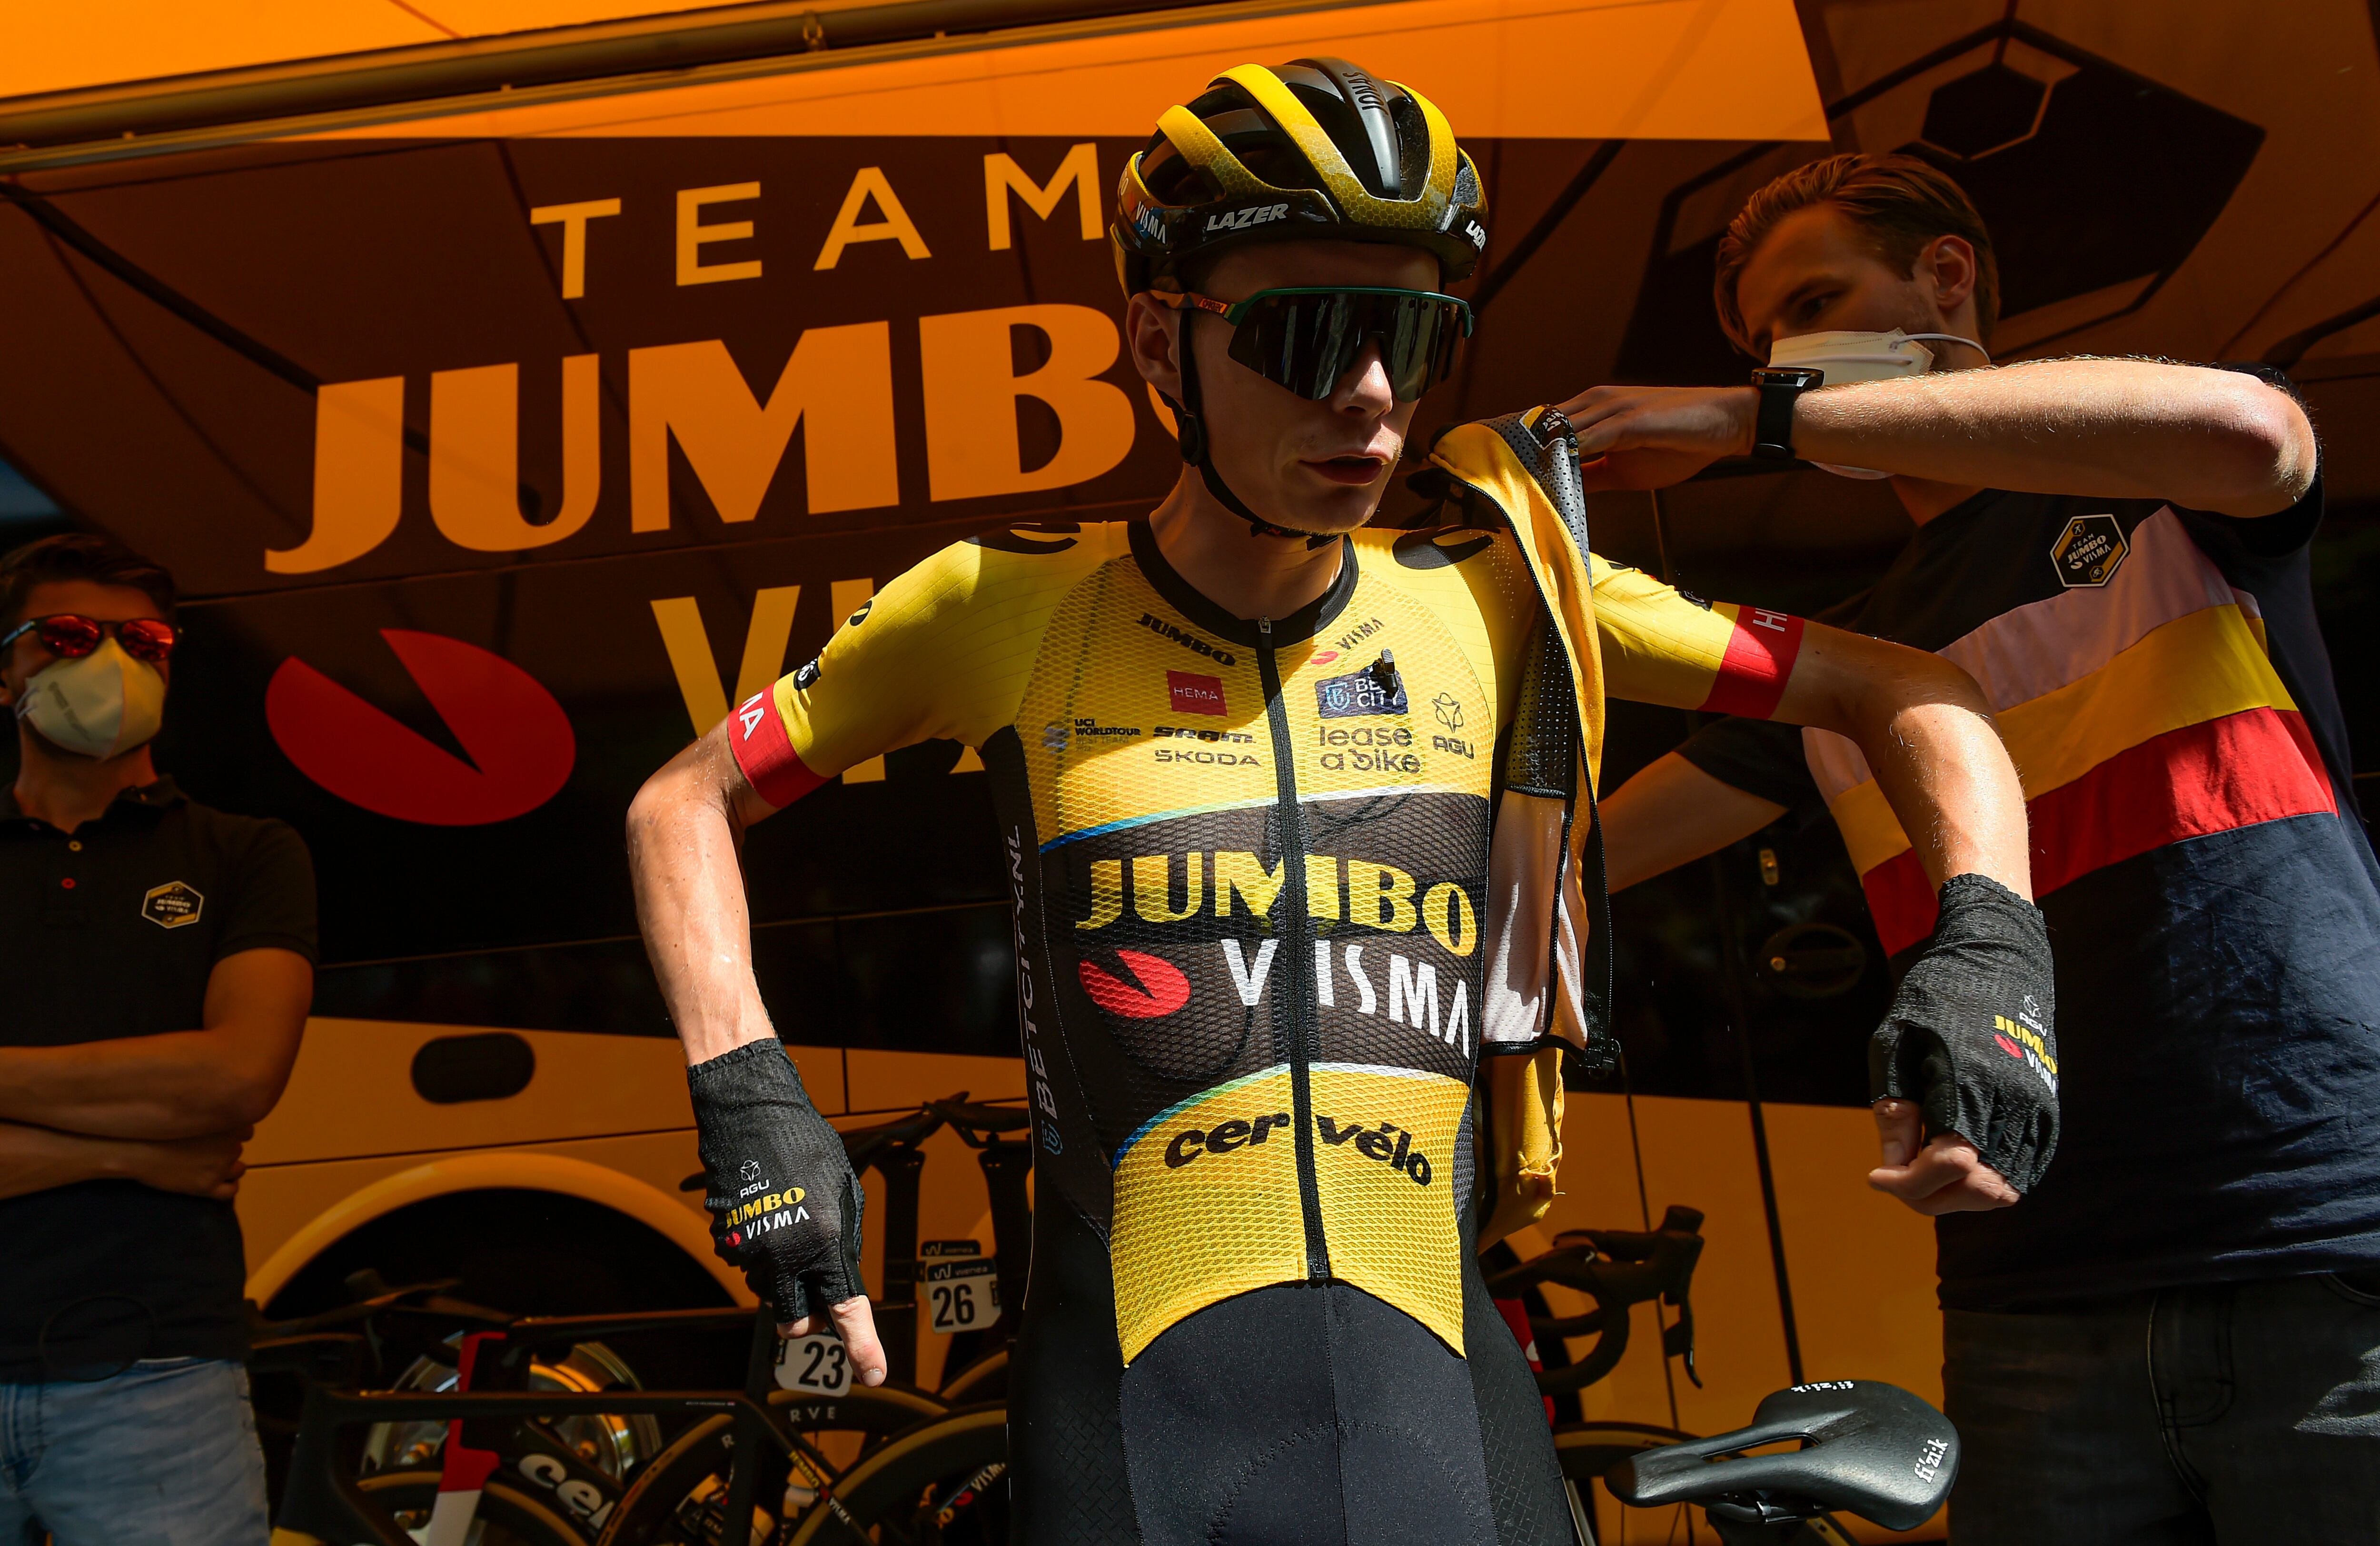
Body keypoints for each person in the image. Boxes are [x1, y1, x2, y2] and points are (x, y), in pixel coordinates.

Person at [629, 68, 2049, 1545]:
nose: (1369, 392)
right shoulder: (1003, 606)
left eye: (1411, 336)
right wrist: (749, 1094)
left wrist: (1992, 946)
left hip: (1441, 1393)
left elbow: (1907, 692)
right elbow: (684, 801)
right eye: (1310, 333)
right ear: (1161, 343)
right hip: (1129, 1414)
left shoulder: (1510, 602)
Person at [1579, 152, 2380, 1539]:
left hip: (2327, 1228)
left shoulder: (2156, 488)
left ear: (1946, 277)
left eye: (1821, 301)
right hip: (2026, 1285)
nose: (1792, 356)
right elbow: (1583, 860)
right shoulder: (1850, 664)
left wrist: (1737, 417)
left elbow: (2255, 431)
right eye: (1768, 340)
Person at [0, 535, 317, 1546]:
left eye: (142, 641)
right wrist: (129, 1150)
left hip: (158, 1376)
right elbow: (195, 1103)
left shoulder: (244, 853)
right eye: (66, 636)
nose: (110, 664)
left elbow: (236, 1077)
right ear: (4, 667)